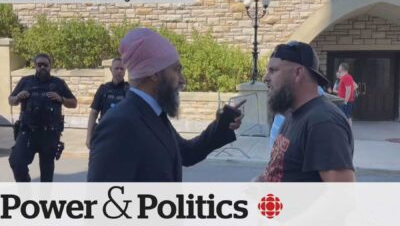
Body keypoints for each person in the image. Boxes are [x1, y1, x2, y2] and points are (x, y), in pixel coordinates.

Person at [87, 28, 244, 182]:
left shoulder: (153, 114)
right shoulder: (118, 124)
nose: (182, 80)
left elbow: (187, 153)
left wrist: (222, 125)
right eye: (176, 70)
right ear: (154, 73)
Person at [255, 41, 355, 182]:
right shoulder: (292, 114)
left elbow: (342, 195)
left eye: (273, 70)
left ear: (298, 73)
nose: (265, 78)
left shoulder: (323, 122)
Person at [8, 53, 77, 182]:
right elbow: (11, 100)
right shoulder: (25, 81)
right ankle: (26, 196)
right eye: (39, 65)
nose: (42, 67)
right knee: (17, 162)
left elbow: (74, 103)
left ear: (50, 66)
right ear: (35, 66)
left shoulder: (58, 83)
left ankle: (44, 201)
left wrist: (61, 98)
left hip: (49, 134)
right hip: (27, 132)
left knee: (47, 173)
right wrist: (17, 98)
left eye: (45, 65)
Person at [86, 58, 129, 148]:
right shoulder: (103, 89)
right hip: (105, 134)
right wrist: (89, 136)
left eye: (122, 69)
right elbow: (93, 113)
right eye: (116, 68)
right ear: (111, 69)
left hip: (124, 135)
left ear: (125, 70)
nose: (119, 71)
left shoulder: (130, 90)